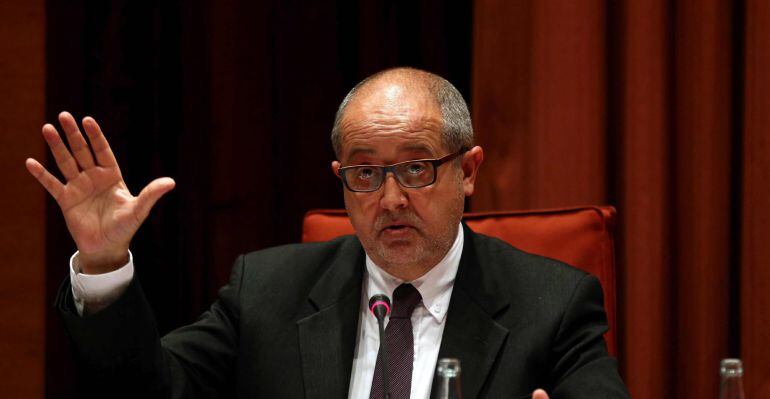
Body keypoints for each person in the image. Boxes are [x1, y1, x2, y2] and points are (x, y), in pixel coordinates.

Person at [26, 67, 629, 398]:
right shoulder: (266, 290)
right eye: (365, 173)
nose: (391, 199)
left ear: (467, 171)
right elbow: (151, 391)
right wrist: (104, 265)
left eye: (416, 168)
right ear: (340, 179)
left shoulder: (552, 304)